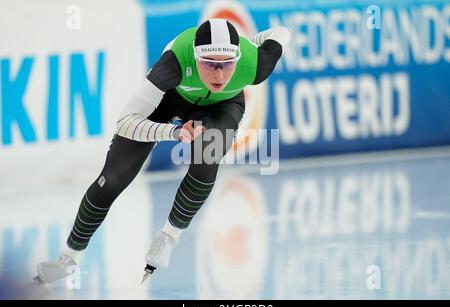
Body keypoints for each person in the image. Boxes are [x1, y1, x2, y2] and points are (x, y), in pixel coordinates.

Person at [34, 18, 291, 284]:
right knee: (113, 179)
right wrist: (172, 132)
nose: (219, 74)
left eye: (227, 64)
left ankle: (169, 236)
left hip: (221, 106)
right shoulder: (173, 63)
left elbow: (281, 32)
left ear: (238, 57)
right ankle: (68, 257)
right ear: (195, 56)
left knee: (208, 154)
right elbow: (125, 123)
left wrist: (250, 42)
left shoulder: (255, 65)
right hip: (167, 101)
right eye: (209, 64)